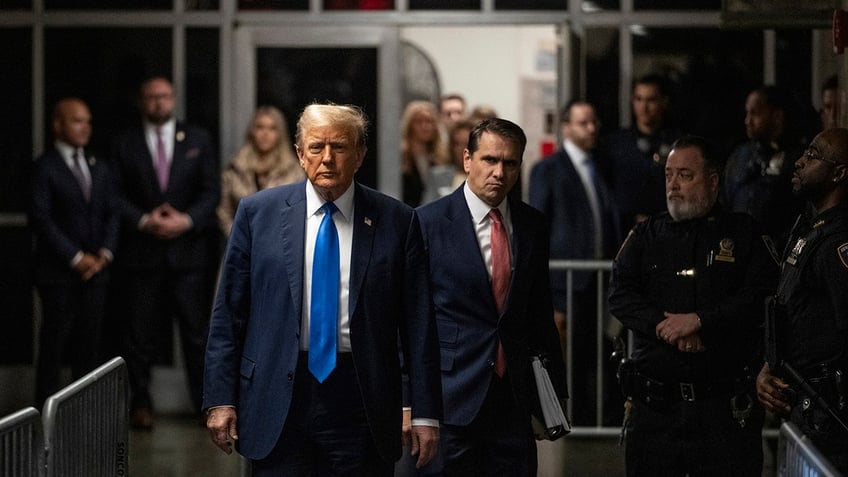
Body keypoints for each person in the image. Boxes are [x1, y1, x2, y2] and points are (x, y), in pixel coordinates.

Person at [203, 103, 442, 475]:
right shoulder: (257, 214)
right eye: (316, 148)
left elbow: (418, 325)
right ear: (300, 154)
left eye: (340, 147)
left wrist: (424, 410)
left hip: (362, 396)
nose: (327, 158)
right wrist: (220, 399)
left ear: (360, 155)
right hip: (277, 392)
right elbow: (228, 315)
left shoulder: (397, 220)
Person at [609, 134, 779, 476]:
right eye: (669, 175)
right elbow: (620, 295)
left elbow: (760, 296)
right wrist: (665, 326)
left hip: (723, 411)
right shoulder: (646, 236)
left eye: (685, 175)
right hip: (656, 411)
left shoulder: (744, 234)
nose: (673, 184)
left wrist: (702, 321)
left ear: (713, 182)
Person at [416, 118, 567, 476]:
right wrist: (413, 403)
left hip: (514, 397)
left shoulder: (532, 225)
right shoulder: (427, 223)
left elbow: (538, 312)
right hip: (451, 397)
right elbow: (413, 320)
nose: (499, 172)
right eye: (490, 160)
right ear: (467, 159)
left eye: (510, 163)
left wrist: (554, 395)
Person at [112, 76, 220, 429]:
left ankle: (205, 406)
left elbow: (210, 190)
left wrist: (186, 220)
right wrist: (144, 220)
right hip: (142, 254)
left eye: (164, 96)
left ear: (173, 99)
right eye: (151, 97)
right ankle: (140, 404)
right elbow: (112, 194)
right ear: (142, 101)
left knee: (195, 334)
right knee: (139, 336)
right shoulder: (124, 141)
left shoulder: (198, 138)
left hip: (188, 255)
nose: (158, 102)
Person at [755, 127, 848, 474]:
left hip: (829, 418)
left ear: (839, 173)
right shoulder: (807, 227)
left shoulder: (838, 242)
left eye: (813, 156)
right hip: (801, 409)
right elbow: (790, 310)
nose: (799, 162)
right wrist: (769, 365)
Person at [529, 99, 621, 426]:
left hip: (599, 278)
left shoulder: (601, 167)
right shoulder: (548, 170)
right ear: (566, 127)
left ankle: (597, 414)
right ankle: (576, 416)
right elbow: (537, 224)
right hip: (567, 279)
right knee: (573, 355)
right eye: (583, 122)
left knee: (600, 349)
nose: (591, 128)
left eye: (594, 121)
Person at [31, 98, 119, 407]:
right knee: (54, 346)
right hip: (58, 273)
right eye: (77, 121)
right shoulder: (45, 167)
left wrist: (104, 255)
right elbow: (41, 219)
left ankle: (82, 415)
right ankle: (45, 414)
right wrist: (76, 257)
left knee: (90, 347)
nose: (85, 128)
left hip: (97, 272)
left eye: (88, 121)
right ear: (58, 124)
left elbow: (113, 212)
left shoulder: (99, 165)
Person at [723, 85, 805, 248]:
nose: (748, 121)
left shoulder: (797, 159)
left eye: (755, 113)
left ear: (777, 116)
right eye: (747, 113)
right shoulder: (741, 155)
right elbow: (725, 200)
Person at [602, 73, 680, 230]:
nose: (644, 107)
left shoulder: (678, 144)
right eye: (638, 99)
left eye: (651, 100)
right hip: (624, 231)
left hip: (669, 228)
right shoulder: (616, 144)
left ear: (664, 102)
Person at [217, 105, 305, 237]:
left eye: (272, 128)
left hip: (280, 246)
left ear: (280, 133)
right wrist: (238, 238)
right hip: (240, 246)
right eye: (260, 127)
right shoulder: (235, 168)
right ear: (252, 131)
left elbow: (299, 215)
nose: (265, 134)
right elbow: (224, 211)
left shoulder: (294, 171)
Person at [401, 100, 450, 207]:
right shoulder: (402, 157)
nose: (426, 126)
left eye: (430, 121)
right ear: (409, 125)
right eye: (419, 122)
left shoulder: (441, 156)